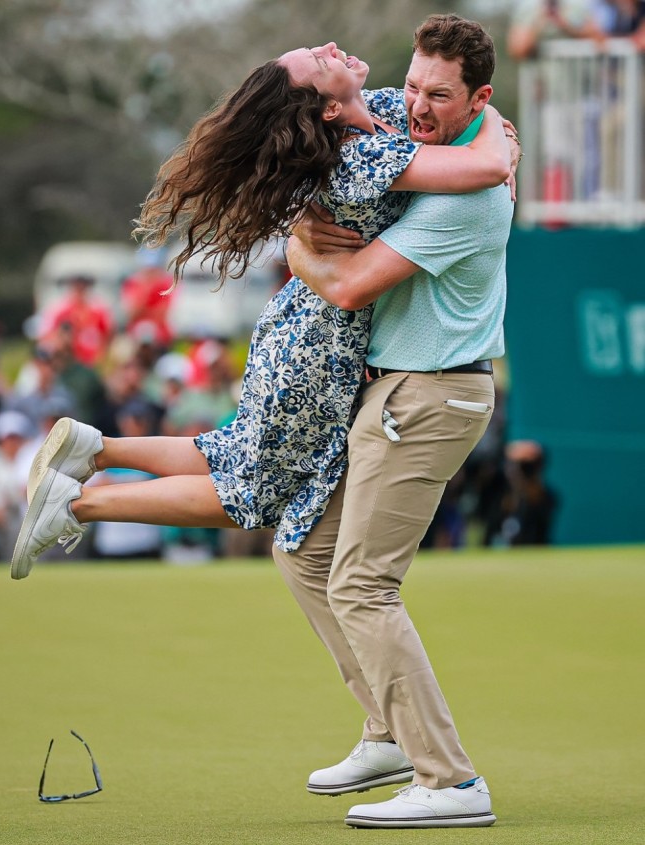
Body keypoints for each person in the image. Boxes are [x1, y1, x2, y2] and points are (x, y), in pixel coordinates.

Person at [10, 32, 515, 579]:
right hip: (319, 345)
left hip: (300, 325)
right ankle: (78, 504)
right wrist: (493, 126)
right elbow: (487, 168)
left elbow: (462, 123)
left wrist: (494, 127)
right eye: (319, 61)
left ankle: (97, 450)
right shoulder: (359, 154)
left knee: (236, 453)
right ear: (328, 105)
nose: (328, 44)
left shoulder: (387, 110)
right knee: (254, 492)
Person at [280, 13, 515, 828]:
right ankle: (387, 729)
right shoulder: (459, 148)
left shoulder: (470, 192)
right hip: (401, 389)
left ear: (478, 97)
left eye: (438, 95)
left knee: (361, 583)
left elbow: (346, 285)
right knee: (304, 550)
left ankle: (449, 780)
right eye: (412, 84)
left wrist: (298, 251)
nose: (416, 104)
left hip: (430, 394)